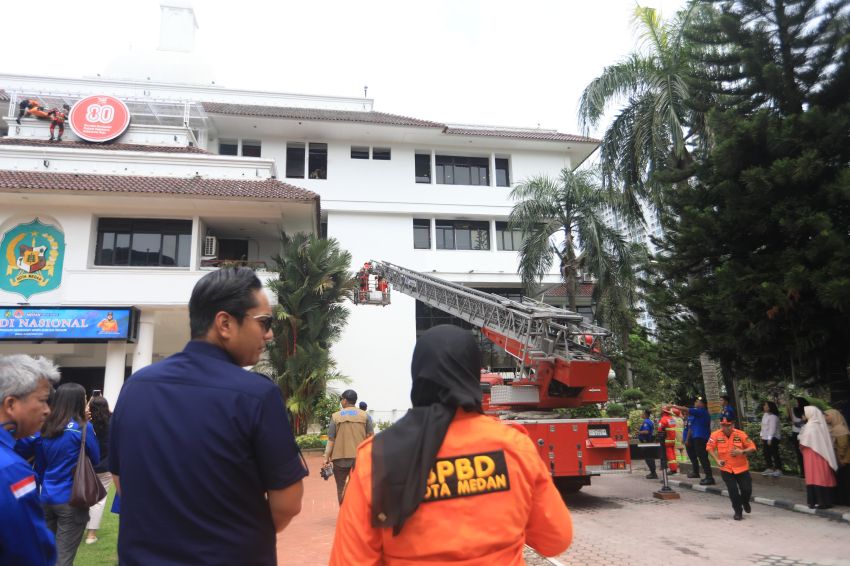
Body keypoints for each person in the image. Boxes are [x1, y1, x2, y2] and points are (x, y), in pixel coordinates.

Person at [109, 267, 307, 565]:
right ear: (225, 323)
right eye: (264, 322)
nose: (268, 334)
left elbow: (121, 481)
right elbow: (288, 502)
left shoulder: (135, 387)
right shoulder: (256, 395)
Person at [329, 325, 572, 564]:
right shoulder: (515, 447)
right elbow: (555, 540)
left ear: (418, 375)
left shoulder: (376, 458)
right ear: (472, 375)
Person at [18, 383, 99, 566]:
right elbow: (95, 457)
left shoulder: (45, 428)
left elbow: (40, 465)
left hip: (46, 496)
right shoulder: (83, 428)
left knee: (45, 554)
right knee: (63, 558)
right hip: (72, 498)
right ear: (79, 401)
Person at [0, 354, 59, 566]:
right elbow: (30, 551)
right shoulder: (12, 471)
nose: (47, 410)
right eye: (42, 400)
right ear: (11, 404)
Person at [324, 389, 373, 503]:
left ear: (345, 400)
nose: (341, 401)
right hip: (360, 459)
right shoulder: (365, 416)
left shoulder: (335, 416)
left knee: (341, 488)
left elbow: (331, 440)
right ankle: (357, 511)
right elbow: (370, 437)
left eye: (341, 399)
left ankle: (344, 511)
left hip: (339, 460)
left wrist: (326, 458)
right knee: (360, 489)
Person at [707, 417, 757, 520]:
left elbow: (752, 447)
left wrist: (742, 452)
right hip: (726, 469)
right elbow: (709, 448)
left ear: (733, 424)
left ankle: (745, 502)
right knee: (733, 491)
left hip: (742, 468)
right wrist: (717, 460)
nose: (725, 428)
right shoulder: (715, 435)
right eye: (723, 425)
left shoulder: (740, 434)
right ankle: (738, 511)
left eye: (728, 425)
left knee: (746, 489)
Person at [85, 395, 112, 545]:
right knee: (99, 500)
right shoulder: (112, 423)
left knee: (83, 497)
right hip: (105, 466)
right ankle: (91, 535)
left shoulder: (85, 423)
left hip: (88, 466)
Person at [798, 405, 837, 509]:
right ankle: (825, 501)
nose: (804, 415)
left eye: (805, 413)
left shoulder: (810, 426)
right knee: (821, 476)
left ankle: (816, 502)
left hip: (812, 455)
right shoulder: (820, 425)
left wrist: (800, 443)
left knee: (814, 477)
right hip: (821, 455)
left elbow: (804, 442)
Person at [673, 398, 714, 485]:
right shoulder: (698, 413)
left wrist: (672, 406)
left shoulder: (701, 411)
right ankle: (707, 476)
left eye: (698, 401)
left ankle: (709, 477)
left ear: (703, 404)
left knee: (703, 458)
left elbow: (685, 409)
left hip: (701, 437)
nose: (696, 403)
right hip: (698, 437)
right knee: (701, 458)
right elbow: (691, 428)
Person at [824, 408, 850, 505]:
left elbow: (843, 445)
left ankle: (845, 500)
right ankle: (841, 500)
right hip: (840, 460)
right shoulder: (835, 428)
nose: (825, 418)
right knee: (841, 481)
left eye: (827, 415)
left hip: (843, 461)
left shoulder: (840, 429)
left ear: (834, 416)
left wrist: (839, 457)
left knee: (844, 481)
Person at [760, 401, 783, 477]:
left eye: (766, 406)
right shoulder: (765, 415)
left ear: (770, 407)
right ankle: (769, 468)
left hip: (773, 438)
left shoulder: (773, 417)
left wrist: (770, 439)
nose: (764, 407)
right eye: (764, 405)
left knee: (775, 453)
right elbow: (763, 426)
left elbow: (772, 429)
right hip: (765, 437)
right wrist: (761, 435)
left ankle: (778, 469)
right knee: (766, 453)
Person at [788, 397, 808, 476]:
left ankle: (807, 471)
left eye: (797, 402)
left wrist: (799, 422)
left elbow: (803, 423)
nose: (796, 403)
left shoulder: (807, 411)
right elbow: (791, 420)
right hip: (796, 433)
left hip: (805, 434)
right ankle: (802, 471)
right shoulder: (793, 410)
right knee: (799, 453)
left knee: (806, 453)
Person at [658, 406, 678, 474]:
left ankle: (673, 469)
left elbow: (660, 430)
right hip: (673, 439)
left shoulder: (663, 419)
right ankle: (675, 468)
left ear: (663, 411)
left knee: (669, 455)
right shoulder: (671, 419)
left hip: (666, 439)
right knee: (673, 454)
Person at [637, 409, 657, 479]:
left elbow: (646, 431)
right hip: (648, 441)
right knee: (650, 457)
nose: (642, 414)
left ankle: (653, 473)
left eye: (643, 413)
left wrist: (639, 432)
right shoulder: (650, 421)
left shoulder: (646, 422)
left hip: (646, 442)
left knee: (648, 458)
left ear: (645, 414)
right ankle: (653, 472)